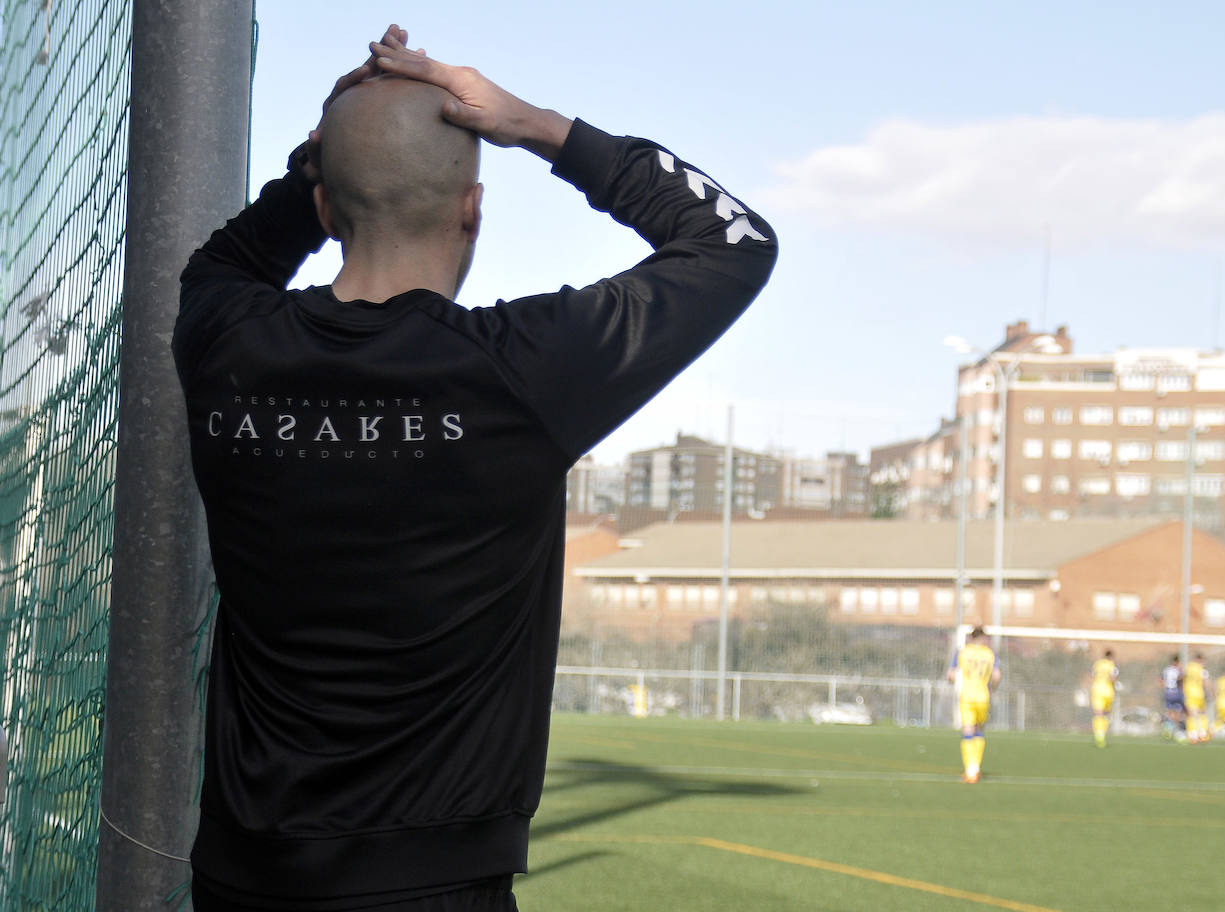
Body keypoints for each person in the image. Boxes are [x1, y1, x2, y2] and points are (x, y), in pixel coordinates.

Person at [172, 25, 776, 911]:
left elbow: (230, 257)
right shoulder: (519, 371)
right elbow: (735, 241)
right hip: (436, 886)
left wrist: (333, 153)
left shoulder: (227, 338)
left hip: (236, 880)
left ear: (328, 211)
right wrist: (536, 127)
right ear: (472, 210)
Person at [948, 626, 1000, 783]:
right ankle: (976, 768)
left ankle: (970, 770)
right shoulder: (990, 654)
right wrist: (991, 688)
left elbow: (950, 675)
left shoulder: (963, 652)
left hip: (967, 697)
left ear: (971, 637)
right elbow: (997, 675)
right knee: (979, 731)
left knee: (968, 732)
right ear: (984, 639)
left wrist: (952, 680)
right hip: (983, 696)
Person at [1089, 649, 1118, 748]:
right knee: (1105, 715)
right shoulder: (1112, 665)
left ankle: (1099, 735)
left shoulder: (1097, 664)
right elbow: (1113, 678)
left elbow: (1092, 676)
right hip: (1108, 691)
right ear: (1111, 656)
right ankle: (1103, 735)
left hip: (1097, 690)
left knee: (1098, 714)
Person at [1183, 652, 1211, 743]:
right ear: (1200, 660)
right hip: (1200, 694)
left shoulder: (1188, 667)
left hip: (1190, 693)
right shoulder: (1202, 669)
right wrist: (1211, 692)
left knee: (1191, 714)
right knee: (1201, 713)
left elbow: (1182, 676)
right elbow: (1206, 682)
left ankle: (1193, 735)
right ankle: (1202, 734)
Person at [1160, 656, 1186, 742]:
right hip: (1176, 692)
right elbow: (1180, 679)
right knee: (1179, 713)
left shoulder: (1166, 670)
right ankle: (1179, 732)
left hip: (1168, 692)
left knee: (1170, 712)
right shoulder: (1177, 670)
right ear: (1176, 662)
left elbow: (1162, 681)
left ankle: (1168, 729)